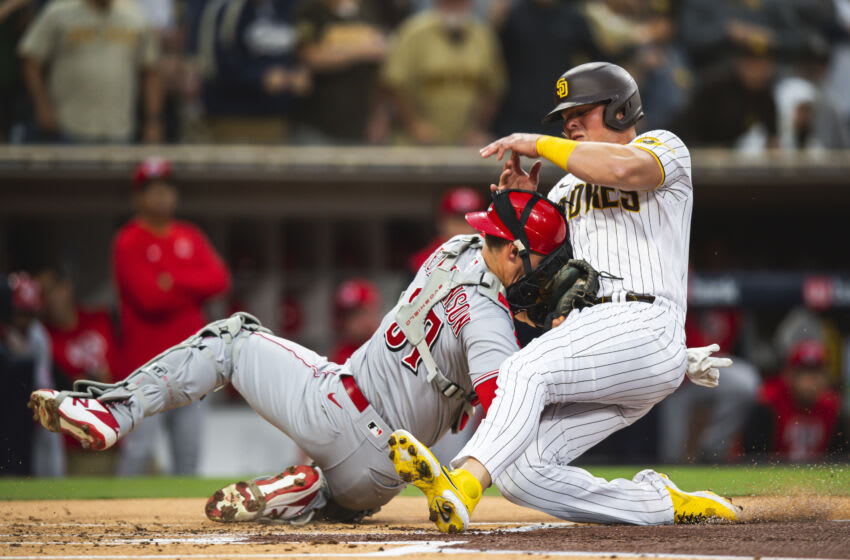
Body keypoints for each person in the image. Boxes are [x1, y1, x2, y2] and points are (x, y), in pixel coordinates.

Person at [28, 189, 575, 523]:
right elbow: (504, 413)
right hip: (380, 477)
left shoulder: (449, 251)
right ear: (515, 253)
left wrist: (517, 199)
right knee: (356, 500)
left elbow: (501, 254)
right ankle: (319, 497)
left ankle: (113, 411)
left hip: (335, 405)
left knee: (232, 338)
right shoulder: (491, 324)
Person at [385, 61, 742, 533]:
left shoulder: (662, 147)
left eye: (581, 111)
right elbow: (540, 282)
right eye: (564, 117)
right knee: (519, 471)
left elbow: (622, 168)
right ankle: (659, 504)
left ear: (619, 110)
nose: (569, 123)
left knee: (523, 370)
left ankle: (464, 483)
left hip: (645, 321)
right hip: (605, 340)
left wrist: (536, 143)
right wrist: (521, 209)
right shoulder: (566, 187)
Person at [111, 157, 230, 475]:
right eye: (152, 189)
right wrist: (191, 289)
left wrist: (173, 280)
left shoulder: (189, 235)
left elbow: (219, 280)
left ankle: (183, 527)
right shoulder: (128, 240)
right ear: (137, 197)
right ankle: (117, 524)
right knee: (138, 453)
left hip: (192, 364)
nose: (161, 195)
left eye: (167, 187)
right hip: (145, 368)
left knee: (188, 459)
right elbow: (150, 299)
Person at [18, 0, 162, 143]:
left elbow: (150, 70)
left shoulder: (136, 15)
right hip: (67, 127)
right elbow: (31, 59)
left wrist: (152, 121)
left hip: (119, 129)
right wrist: (42, 105)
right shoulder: (58, 12)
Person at [381, 0, 506, 145]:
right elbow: (393, 83)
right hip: (416, 146)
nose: (455, 4)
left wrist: (477, 128)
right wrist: (414, 124)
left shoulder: (483, 36)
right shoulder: (413, 32)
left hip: (464, 145)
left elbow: (494, 88)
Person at [745, 339, 841, 463]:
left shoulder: (832, 407)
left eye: (815, 373)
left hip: (816, 476)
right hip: (773, 474)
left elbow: (839, 458)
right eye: (802, 372)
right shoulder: (769, 403)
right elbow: (753, 456)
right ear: (789, 374)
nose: (809, 381)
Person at [407, 186, 485, 274]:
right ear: (441, 222)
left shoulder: (490, 260)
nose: (463, 226)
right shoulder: (423, 261)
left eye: (470, 220)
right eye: (457, 219)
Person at [329, 278, 382, 365]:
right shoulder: (341, 354)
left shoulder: (388, 347)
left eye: (357, 313)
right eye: (346, 315)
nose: (350, 322)